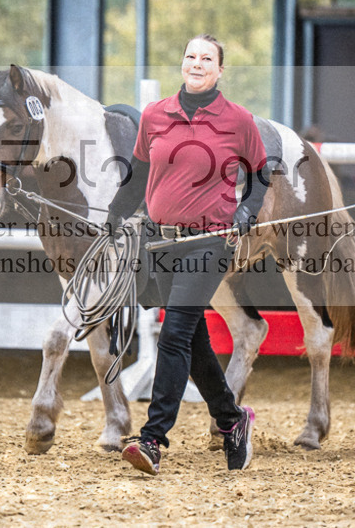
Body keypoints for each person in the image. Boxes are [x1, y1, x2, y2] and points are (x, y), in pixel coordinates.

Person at [106, 34, 270, 475]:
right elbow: (140, 172)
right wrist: (115, 214)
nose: (196, 64)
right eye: (190, 57)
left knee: (173, 334)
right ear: (182, 64)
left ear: (220, 70)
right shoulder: (156, 115)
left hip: (209, 241)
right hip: (160, 240)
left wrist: (246, 211)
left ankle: (153, 438)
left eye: (207, 59)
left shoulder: (238, 120)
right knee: (192, 339)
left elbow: (260, 175)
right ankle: (232, 420)